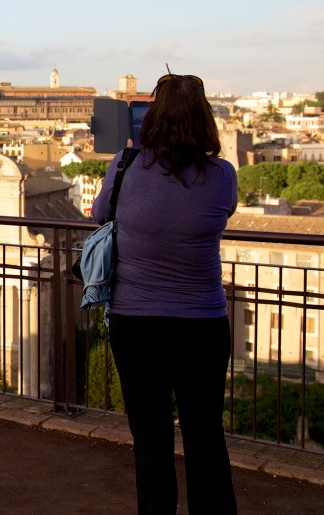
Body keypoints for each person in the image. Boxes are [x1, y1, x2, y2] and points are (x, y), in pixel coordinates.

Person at [92, 72, 238, 514]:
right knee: (204, 436)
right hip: (202, 322)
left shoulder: (123, 165)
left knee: (151, 437)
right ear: (206, 121)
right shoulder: (222, 176)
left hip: (135, 320)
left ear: (151, 118)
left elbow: (101, 215)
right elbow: (220, 214)